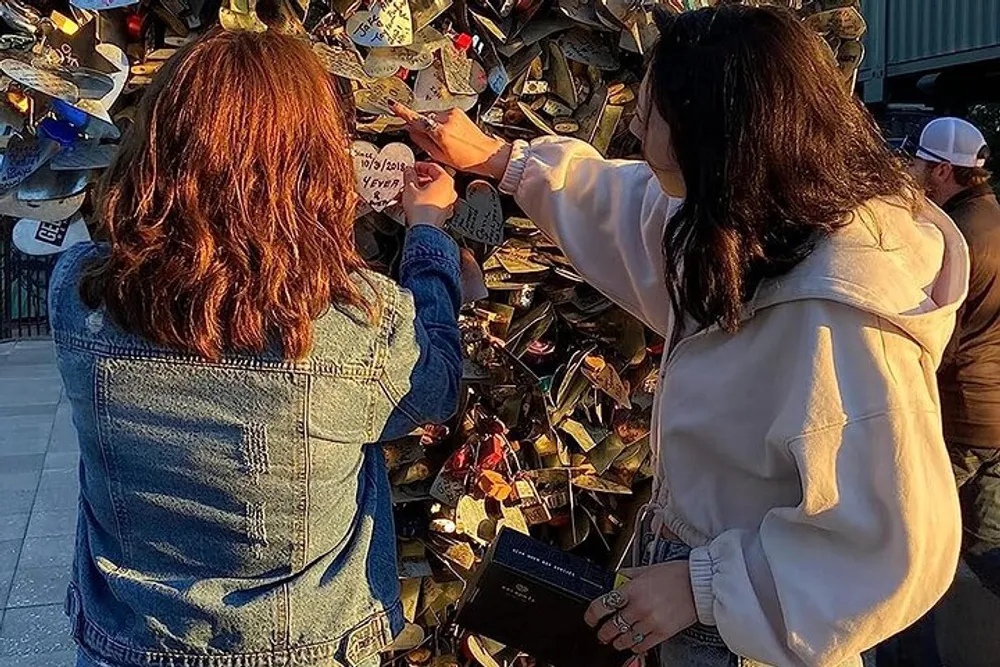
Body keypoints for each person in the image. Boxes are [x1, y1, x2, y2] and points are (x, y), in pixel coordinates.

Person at [394, 5, 969, 667]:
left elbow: (900, 544)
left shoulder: (842, 316)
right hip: (699, 593)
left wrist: (705, 586)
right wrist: (505, 163)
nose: (634, 125)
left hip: (751, 631)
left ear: (718, 133)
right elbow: (637, 209)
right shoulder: (757, 228)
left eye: (652, 110)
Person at [48, 29, 462, 667]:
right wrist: (428, 237)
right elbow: (434, 392)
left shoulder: (78, 293)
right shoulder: (353, 321)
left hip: (129, 643)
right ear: (313, 163)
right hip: (305, 647)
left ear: (154, 145)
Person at [886, 117, 1000, 667]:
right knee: (985, 547)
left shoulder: (949, 240)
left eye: (916, 163)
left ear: (942, 171)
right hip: (995, 420)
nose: (909, 172)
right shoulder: (994, 217)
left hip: (955, 420)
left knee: (909, 550)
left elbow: (933, 340)